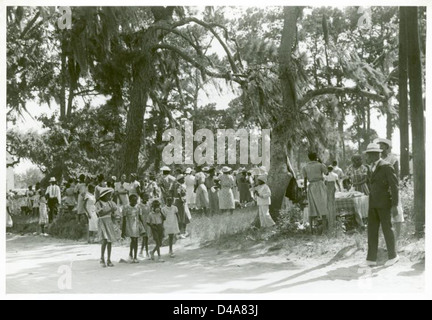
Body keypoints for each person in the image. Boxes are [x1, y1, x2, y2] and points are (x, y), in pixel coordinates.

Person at [363, 143, 399, 267]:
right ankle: (371, 258)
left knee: (387, 229)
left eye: (368, 155)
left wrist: (395, 205)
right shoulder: (370, 167)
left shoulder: (386, 166)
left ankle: (393, 256)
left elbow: (394, 186)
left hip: (384, 203)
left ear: (374, 155)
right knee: (372, 230)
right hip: (373, 204)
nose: (366, 157)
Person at [374, 137, 404, 241]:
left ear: (386, 147)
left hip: (391, 187)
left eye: (382, 145)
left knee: (396, 211)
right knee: (383, 213)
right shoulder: (378, 160)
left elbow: (396, 174)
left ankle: (398, 237)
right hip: (381, 190)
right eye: (379, 146)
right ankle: (387, 238)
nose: (380, 147)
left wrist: (393, 186)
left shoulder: (393, 158)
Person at [302, 152, 329, 233]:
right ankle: (324, 228)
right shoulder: (320, 165)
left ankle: (311, 228)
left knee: (312, 206)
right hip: (320, 185)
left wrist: (305, 189)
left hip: (311, 186)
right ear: (316, 157)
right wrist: (320, 162)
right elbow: (326, 173)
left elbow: (305, 179)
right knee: (323, 204)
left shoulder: (305, 167)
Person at [95, 188, 119, 268]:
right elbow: (100, 214)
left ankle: (109, 259)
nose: (109, 197)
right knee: (104, 240)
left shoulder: (110, 203)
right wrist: (110, 210)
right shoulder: (98, 203)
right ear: (104, 196)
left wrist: (114, 216)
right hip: (102, 222)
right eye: (108, 195)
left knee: (110, 241)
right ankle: (102, 258)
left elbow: (112, 214)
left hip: (109, 222)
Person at [122, 194, 144, 264]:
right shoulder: (126, 207)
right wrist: (123, 230)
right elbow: (124, 219)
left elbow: (140, 217)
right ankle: (131, 255)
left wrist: (143, 227)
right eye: (133, 200)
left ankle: (134, 256)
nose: (135, 202)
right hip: (129, 226)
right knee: (133, 239)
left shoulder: (138, 207)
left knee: (135, 240)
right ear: (130, 200)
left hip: (136, 225)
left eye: (136, 200)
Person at [139, 193, 151, 259]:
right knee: (145, 237)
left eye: (147, 196)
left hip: (148, 221)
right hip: (143, 222)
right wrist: (142, 224)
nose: (147, 197)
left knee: (146, 238)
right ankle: (146, 253)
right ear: (142, 197)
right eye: (145, 196)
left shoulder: (148, 204)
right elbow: (140, 215)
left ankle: (141, 252)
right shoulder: (140, 205)